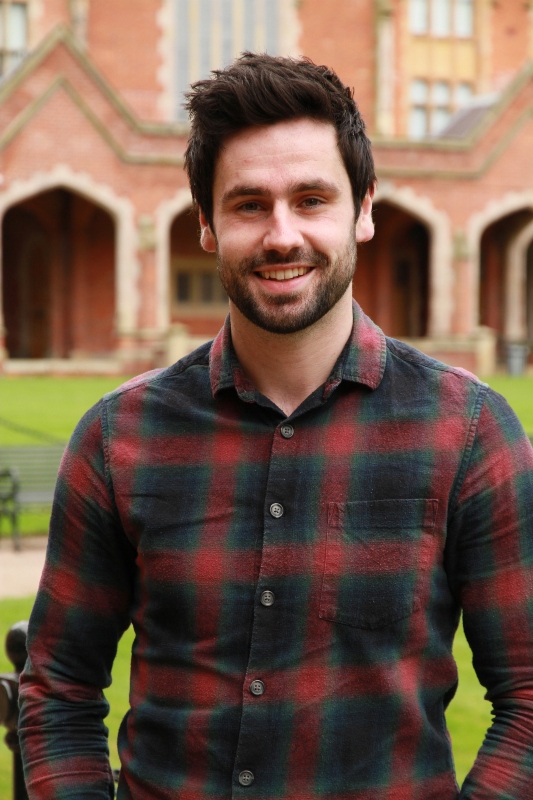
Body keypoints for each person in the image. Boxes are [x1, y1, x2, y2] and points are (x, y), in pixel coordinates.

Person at [19, 53, 533, 800]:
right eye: (249, 204)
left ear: (361, 210)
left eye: (311, 199)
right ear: (204, 224)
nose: (281, 235)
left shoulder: (468, 431)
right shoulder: (119, 436)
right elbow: (58, 690)